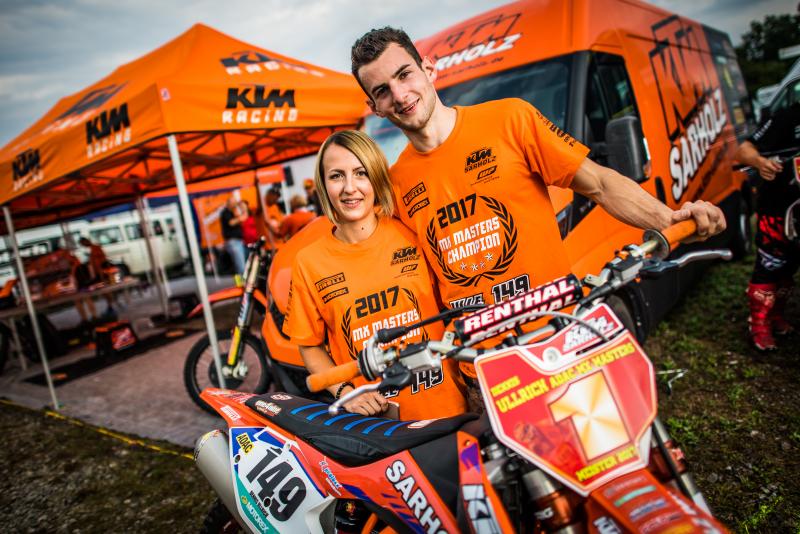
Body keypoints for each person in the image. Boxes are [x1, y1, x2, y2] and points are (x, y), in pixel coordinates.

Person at [350, 27, 726, 399]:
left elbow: (599, 183)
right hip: (480, 368)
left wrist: (670, 221)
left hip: (558, 339)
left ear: (428, 69)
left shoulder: (510, 119)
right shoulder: (395, 184)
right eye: (382, 91)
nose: (399, 95)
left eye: (404, 74)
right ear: (375, 107)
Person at [282, 130, 467, 419]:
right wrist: (345, 392)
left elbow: (456, 301)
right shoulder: (309, 262)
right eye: (336, 176)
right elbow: (308, 344)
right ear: (323, 185)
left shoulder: (412, 231)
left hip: (447, 411)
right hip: (375, 425)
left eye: (361, 173)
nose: (350, 187)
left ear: (376, 177)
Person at [734, 100, 800, 350]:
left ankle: (777, 316)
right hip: (777, 209)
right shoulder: (787, 116)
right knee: (771, 264)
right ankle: (759, 325)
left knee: (790, 269)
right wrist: (761, 163)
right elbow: (744, 150)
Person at [220, 194, 247, 274]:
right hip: (233, 241)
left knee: (239, 265)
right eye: (234, 203)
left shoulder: (233, 212)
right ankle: (241, 281)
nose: (235, 205)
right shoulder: (226, 212)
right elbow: (231, 223)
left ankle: (239, 280)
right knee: (240, 266)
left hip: (237, 241)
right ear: (229, 203)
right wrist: (240, 217)